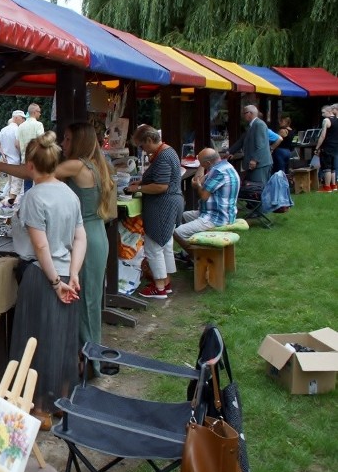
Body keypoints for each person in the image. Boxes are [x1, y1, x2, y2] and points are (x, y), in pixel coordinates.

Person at [9, 131, 86, 428]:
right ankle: (62, 401)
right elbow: (80, 237)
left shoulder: (33, 197)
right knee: (63, 340)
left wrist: (55, 282)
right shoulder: (69, 193)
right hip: (68, 274)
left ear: (30, 165)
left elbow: (40, 247)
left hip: (44, 277)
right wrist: (74, 273)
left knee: (36, 339)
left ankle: (38, 407)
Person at [55, 122, 116, 371]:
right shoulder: (98, 164)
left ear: (79, 142)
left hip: (87, 238)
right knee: (89, 300)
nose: (62, 144)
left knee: (85, 301)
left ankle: (90, 361)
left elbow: (37, 173)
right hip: (96, 234)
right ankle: (89, 359)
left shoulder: (77, 165)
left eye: (67, 139)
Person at [126, 124, 183, 300]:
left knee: (153, 246)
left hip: (162, 205)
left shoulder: (163, 156)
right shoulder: (167, 151)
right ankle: (165, 282)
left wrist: (138, 188)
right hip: (169, 204)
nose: (143, 150)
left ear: (149, 140)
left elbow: (161, 186)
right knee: (165, 244)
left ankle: (159, 287)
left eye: (142, 146)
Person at [173, 149, 240, 263]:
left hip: (216, 217)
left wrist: (199, 186)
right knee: (183, 216)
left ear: (208, 163)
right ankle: (186, 254)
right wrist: (200, 169)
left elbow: (203, 195)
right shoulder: (222, 166)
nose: (200, 165)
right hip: (221, 212)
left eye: (201, 162)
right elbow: (197, 181)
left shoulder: (218, 172)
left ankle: (197, 258)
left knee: (178, 232)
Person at [228, 105, 272, 184]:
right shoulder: (251, 125)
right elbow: (241, 141)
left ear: (250, 113)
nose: (243, 116)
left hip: (260, 164)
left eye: (244, 113)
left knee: (258, 188)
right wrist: (229, 152)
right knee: (253, 189)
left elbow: (260, 145)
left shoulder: (259, 124)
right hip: (253, 164)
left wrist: (254, 160)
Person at [0, 111, 25, 204]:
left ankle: (4, 202)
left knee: (10, 183)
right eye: (22, 118)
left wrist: (2, 153)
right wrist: (23, 152)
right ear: (16, 118)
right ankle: (8, 206)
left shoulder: (4, 129)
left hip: (5, 160)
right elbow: (17, 144)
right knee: (15, 187)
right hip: (15, 161)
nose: (23, 120)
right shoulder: (18, 129)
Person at [17, 103, 45, 191]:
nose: (40, 114)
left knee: (27, 185)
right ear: (34, 112)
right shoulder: (38, 125)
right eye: (39, 112)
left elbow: (17, 144)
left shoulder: (21, 126)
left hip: (25, 159)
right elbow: (42, 141)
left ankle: (27, 202)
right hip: (37, 158)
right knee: (39, 183)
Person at [314, 105, 338, 192]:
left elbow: (323, 135)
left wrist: (317, 147)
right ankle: (334, 185)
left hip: (327, 145)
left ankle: (327, 187)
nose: (322, 114)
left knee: (326, 166)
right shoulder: (337, 119)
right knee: (333, 167)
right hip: (335, 146)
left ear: (329, 111)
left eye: (323, 112)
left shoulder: (326, 120)